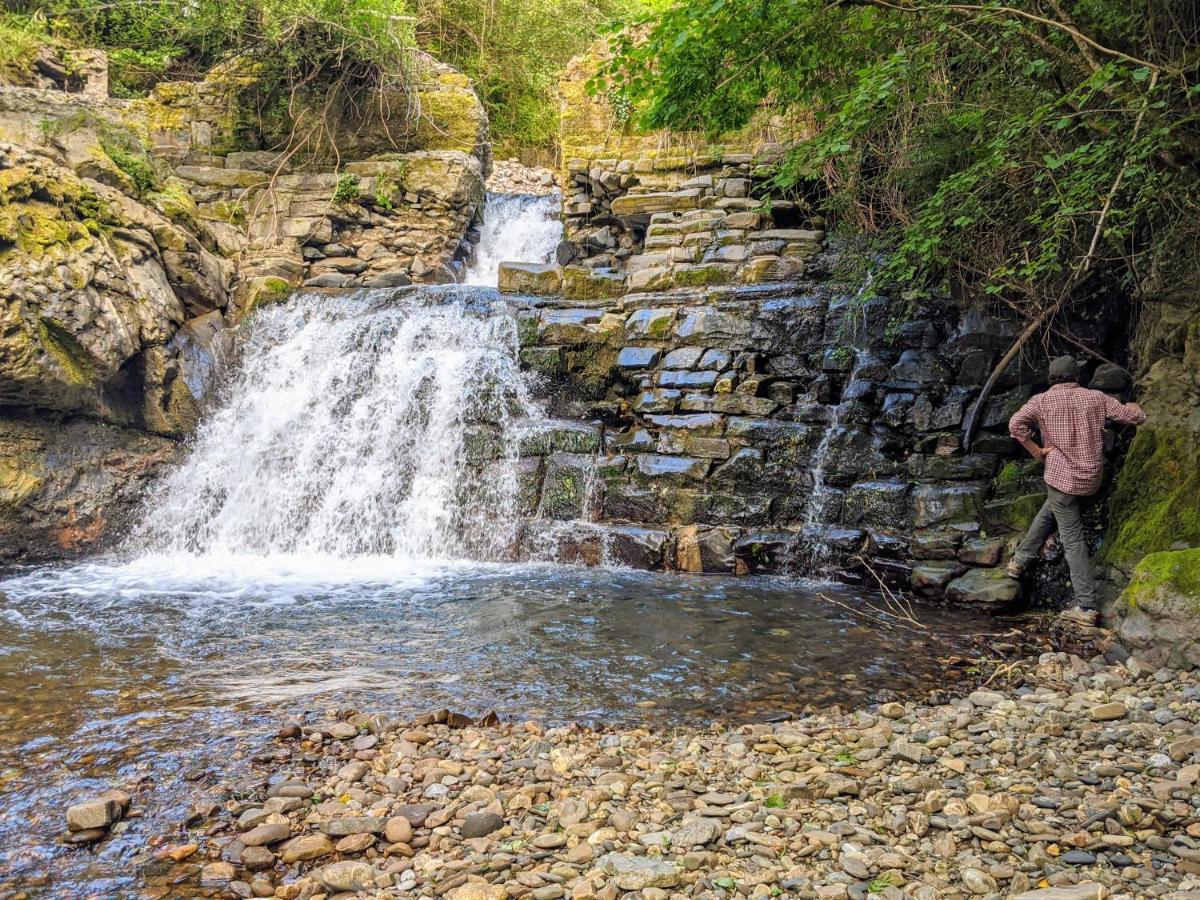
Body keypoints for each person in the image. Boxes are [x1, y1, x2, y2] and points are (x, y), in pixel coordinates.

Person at [1005, 356, 1145, 626]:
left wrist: (1036, 451)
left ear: (1051, 378)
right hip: (1090, 478)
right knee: (1051, 509)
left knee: (1072, 538)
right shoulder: (1095, 398)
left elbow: (1015, 425)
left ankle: (1086, 606)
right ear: (1076, 377)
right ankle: (1019, 561)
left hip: (1060, 476)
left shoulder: (1042, 401)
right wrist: (1135, 407)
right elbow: (1134, 417)